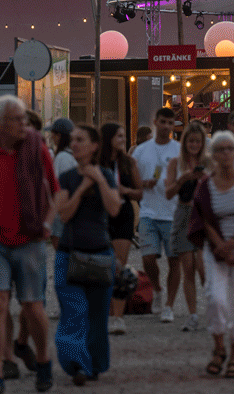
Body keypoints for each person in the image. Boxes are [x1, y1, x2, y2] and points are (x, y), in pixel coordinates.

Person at [0, 96, 58, 394]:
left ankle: (43, 360)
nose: (24, 124)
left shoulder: (37, 150)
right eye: (17, 119)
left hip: (29, 238)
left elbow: (55, 193)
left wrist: (46, 224)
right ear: (0, 124)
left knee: (32, 306)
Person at [186, 130, 234, 380]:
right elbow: (203, 218)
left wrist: (233, 242)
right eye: (220, 149)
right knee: (215, 297)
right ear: (213, 154)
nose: (225, 154)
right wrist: (220, 245)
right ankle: (219, 348)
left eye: (230, 148)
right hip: (215, 247)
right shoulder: (205, 185)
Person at [54, 124, 121, 386]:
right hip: (69, 255)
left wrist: (100, 180)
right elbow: (64, 214)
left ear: (94, 145)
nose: (75, 144)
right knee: (73, 311)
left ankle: (93, 364)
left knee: (97, 316)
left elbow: (114, 208)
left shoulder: (106, 174)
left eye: (80, 139)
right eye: (73, 140)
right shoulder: (68, 178)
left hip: (100, 254)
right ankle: (77, 364)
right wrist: (83, 188)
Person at [130, 107, 182, 321]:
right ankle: (157, 290)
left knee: (174, 261)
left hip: (172, 212)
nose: (166, 127)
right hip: (149, 211)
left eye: (170, 123)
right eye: (163, 122)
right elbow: (133, 181)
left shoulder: (179, 150)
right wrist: (142, 183)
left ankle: (169, 304)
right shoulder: (141, 151)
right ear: (155, 122)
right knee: (148, 258)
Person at [99, 122, 141, 337]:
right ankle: (104, 311)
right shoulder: (98, 162)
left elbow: (139, 192)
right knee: (103, 264)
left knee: (119, 266)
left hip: (123, 214)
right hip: (102, 214)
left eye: (124, 136)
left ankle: (118, 317)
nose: (122, 140)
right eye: (118, 136)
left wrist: (125, 190)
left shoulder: (128, 162)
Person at [164, 121, 207, 332]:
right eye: (191, 140)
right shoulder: (176, 163)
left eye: (198, 141)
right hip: (182, 213)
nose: (194, 144)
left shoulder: (209, 163)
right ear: (185, 142)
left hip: (203, 215)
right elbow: (168, 193)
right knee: (187, 267)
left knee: (203, 266)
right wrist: (183, 179)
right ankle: (192, 314)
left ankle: (214, 309)